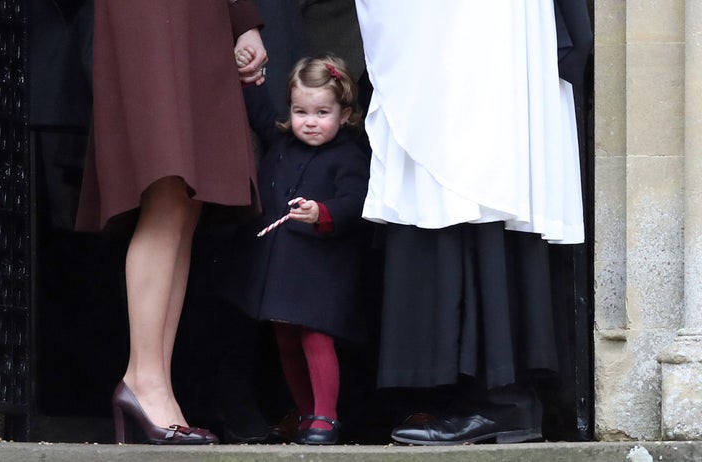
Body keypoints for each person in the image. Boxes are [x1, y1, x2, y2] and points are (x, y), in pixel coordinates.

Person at [355, 0, 592, 445]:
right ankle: (492, 399)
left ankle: (502, 400)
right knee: (465, 184)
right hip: (450, 32)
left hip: (481, 31)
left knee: (485, 178)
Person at [74, 0, 268, 444]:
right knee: (167, 184)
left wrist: (242, 22)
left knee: (185, 198)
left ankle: (153, 381)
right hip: (150, 15)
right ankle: (144, 380)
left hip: (203, 15)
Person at [230, 52, 370, 445]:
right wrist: (250, 79)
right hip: (281, 267)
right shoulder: (282, 141)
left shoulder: (349, 156)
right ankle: (306, 412)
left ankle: (326, 416)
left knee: (316, 338)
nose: (310, 121)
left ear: (344, 114)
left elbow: (357, 201)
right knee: (286, 340)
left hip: (322, 269)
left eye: (322, 112)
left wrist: (322, 211)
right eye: (300, 110)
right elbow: (259, 113)